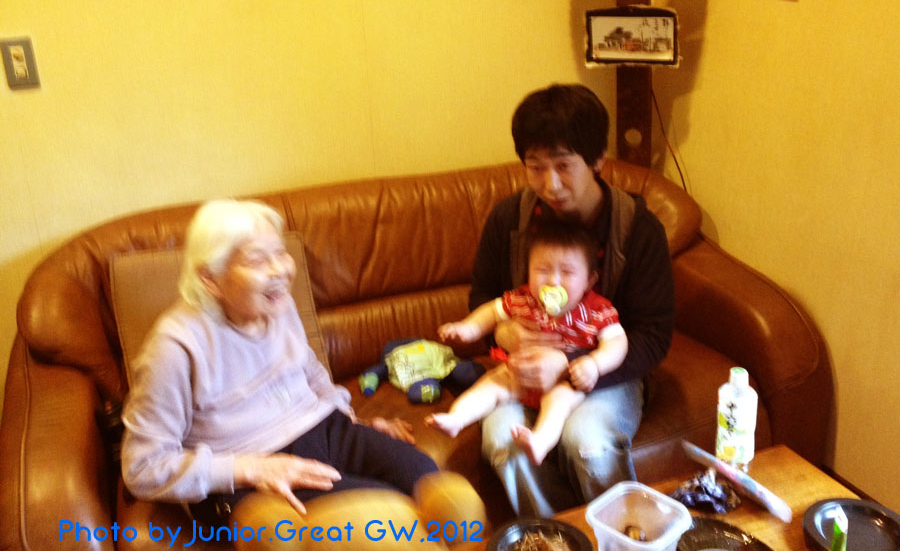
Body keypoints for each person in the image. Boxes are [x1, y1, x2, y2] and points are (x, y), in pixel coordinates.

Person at [120, 199, 445, 529]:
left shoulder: (278, 304)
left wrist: (349, 419)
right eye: (258, 260)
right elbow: (141, 468)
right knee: (385, 517)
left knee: (425, 478)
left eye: (280, 253)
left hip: (322, 430)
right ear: (210, 279)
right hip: (243, 469)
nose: (279, 270)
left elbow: (309, 370)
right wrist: (252, 468)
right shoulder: (174, 348)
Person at [471, 83, 675, 517]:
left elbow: (654, 336)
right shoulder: (509, 220)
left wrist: (572, 365)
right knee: (503, 441)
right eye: (535, 167)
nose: (550, 184)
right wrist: (504, 333)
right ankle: (558, 538)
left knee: (588, 441)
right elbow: (482, 296)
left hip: (606, 372)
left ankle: (622, 536)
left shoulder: (637, 230)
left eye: (564, 166)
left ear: (598, 159)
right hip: (522, 371)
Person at [426, 221, 627, 467]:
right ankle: (457, 418)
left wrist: (594, 364)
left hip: (564, 380)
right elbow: (491, 312)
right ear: (528, 271)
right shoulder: (523, 299)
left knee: (559, 400)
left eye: (566, 272)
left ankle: (540, 441)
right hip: (520, 373)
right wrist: (468, 328)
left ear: (589, 279)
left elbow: (617, 342)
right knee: (491, 383)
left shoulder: (596, 310)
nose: (553, 281)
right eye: (542, 270)